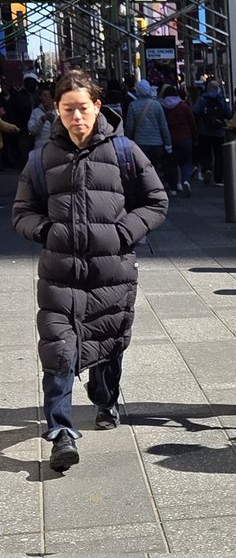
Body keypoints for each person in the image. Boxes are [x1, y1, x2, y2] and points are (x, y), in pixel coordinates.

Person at [12, 70, 167, 473]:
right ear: (57, 112)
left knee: (108, 343)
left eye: (83, 108)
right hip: (60, 273)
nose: (76, 117)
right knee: (59, 350)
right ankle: (61, 433)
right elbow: (21, 212)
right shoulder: (41, 158)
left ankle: (105, 397)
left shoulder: (124, 152)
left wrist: (122, 232)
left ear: (97, 106)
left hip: (110, 270)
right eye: (68, 110)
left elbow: (156, 200)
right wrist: (44, 229)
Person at [125, 81, 174, 189]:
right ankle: (156, 187)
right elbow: (163, 126)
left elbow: (129, 127)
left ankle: (145, 188)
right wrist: (168, 144)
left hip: (140, 143)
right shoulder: (157, 105)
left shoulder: (133, 106)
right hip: (157, 143)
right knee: (155, 167)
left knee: (142, 168)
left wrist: (127, 141)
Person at [159, 84, 198, 196]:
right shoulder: (183, 106)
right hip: (185, 138)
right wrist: (194, 136)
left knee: (171, 164)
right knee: (186, 162)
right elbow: (192, 122)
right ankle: (186, 180)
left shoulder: (163, 107)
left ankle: (173, 188)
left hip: (170, 139)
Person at [194, 79, 232, 185]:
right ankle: (218, 179)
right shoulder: (221, 99)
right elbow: (228, 114)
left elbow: (195, 110)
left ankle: (207, 169)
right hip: (219, 132)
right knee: (219, 155)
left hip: (204, 131)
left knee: (206, 153)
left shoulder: (202, 99)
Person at [28, 88, 57, 154]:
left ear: (53, 98)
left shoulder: (59, 112)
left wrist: (54, 121)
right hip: (39, 149)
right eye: (41, 96)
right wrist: (41, 121)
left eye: (45, 96)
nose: (42, 98)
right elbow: (32, 131)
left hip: (56, 150)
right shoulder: (36, 112)